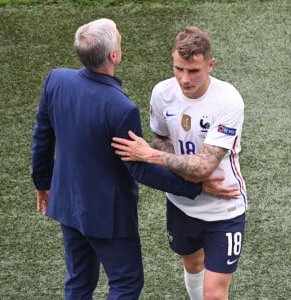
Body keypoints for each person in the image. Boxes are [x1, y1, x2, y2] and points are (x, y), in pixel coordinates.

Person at [31, 19, 239, 300]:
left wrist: (43, 183)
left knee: (78, 283)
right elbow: (140, 168)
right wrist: (197, 188)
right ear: (114, 55)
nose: (184, 77)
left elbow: (42, 135)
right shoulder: (121, 107)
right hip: (109, 215)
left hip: (67, 204)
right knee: (126, 284)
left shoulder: (56, 79)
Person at [112, 26, 247, 300]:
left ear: (210, 64)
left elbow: (205, 168)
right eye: (178, 69)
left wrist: (151, 155)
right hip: (180, 203)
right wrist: (187, 179)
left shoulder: (228, 100)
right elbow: (162, 137)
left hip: (224, 207)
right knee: (192, 264)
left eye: (193, 71)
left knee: (214, 294)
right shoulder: (162, 93)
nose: (184, 79)